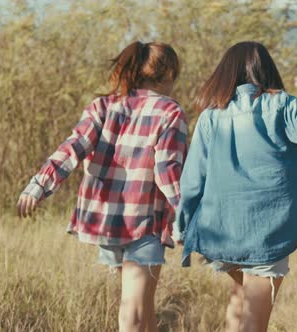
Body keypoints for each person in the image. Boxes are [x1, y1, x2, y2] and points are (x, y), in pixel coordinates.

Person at [16, 41, 187, 332]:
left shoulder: (104, 105)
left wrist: (37, 186)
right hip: (144, 222)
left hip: (105, 222)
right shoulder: (169, 111)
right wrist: (186, 215)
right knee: (132, 312)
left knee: (144, 308)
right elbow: (166, 169)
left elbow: (72, 148)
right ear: (167, 73)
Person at [173, 41, 297, 332]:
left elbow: (193, 178)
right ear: (267, 70)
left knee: (239, 305)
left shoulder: (211, 115)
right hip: (267, 233)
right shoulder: (281, 103)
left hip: (221, 230)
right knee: (253, 323)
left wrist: (181, 226)